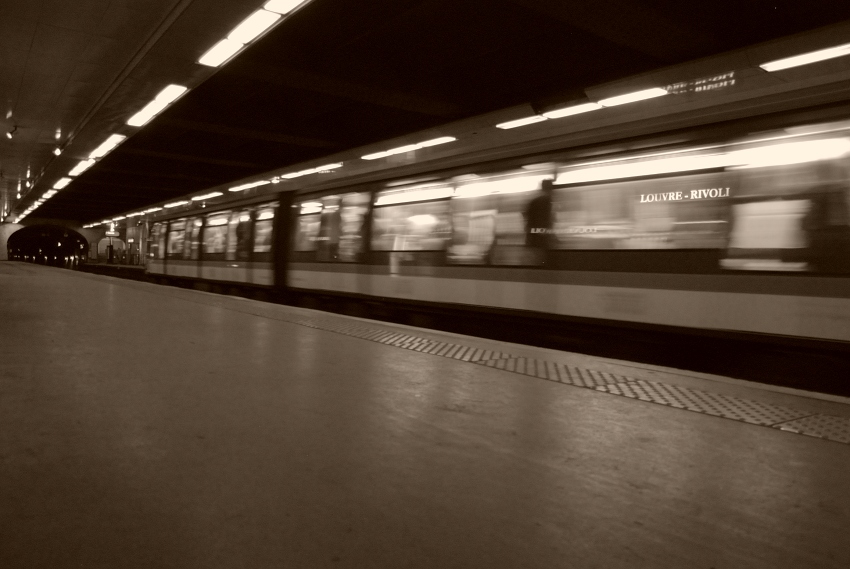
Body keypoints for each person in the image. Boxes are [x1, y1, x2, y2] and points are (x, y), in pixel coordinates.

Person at [524, 179, 555, 264]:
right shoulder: (545, 202)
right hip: (539, 243)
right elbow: (543, 224)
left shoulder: (535, 201)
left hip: (534, 242)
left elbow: (528, 220)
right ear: (550, 189)